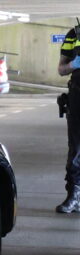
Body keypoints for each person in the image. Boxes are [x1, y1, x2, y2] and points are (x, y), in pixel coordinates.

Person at [56, 24, 80, 212]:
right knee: (76, 149)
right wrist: (74, 64)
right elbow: (61, 69)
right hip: (78, 97)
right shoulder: (74, 34)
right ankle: (74, 195)